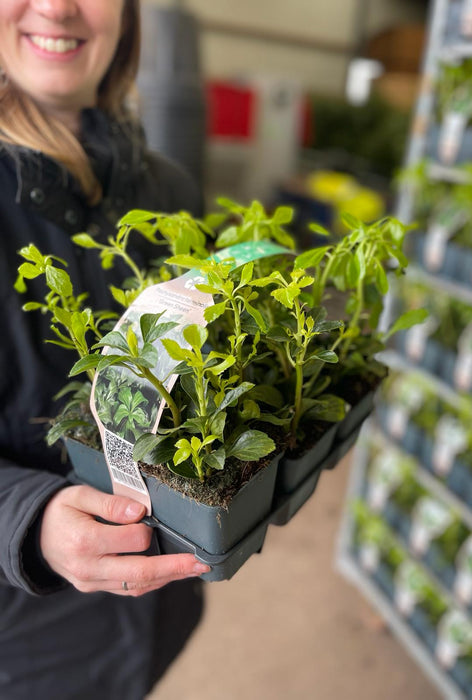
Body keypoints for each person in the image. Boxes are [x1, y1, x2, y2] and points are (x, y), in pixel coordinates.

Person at [0, 1, 208, 698]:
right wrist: (27, 517)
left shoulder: (169, 189)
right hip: (25, 640)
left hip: (158, 618)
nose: (56, 6)